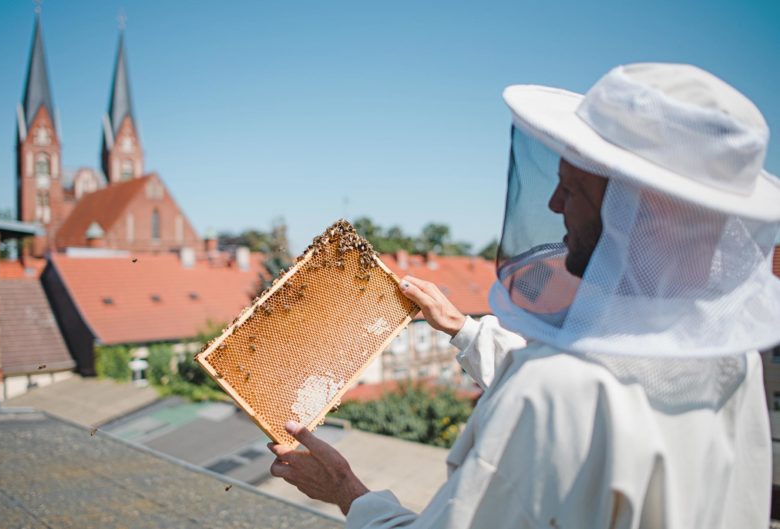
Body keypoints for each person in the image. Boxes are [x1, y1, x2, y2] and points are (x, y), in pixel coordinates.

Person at [268, 63, 780, 528]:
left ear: (648, 216)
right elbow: (596, 401)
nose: (555, 203)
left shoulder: (554, 391)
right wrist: (464, 329)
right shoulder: (728, 358)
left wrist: (347, 490)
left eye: (573, 190)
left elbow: (561, 399)